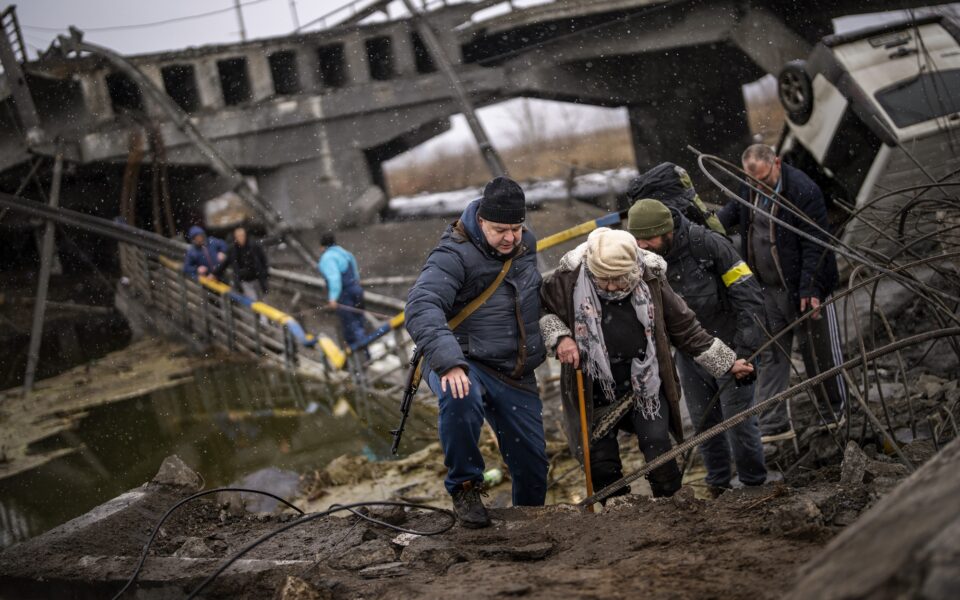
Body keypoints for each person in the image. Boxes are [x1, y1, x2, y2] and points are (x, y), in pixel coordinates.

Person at [540, 228, 753, 500]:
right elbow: (542, 310)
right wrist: (560, 337)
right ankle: (619, 515)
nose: (612, 287)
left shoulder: (651, 279)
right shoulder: (566, 280)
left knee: (657, 446)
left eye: (620, 279)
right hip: (592, 383)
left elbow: (685, 328)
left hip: (645, 382)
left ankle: (673, 506)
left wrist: (728, 363)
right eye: (603, 279)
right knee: (599, 460)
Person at [405, 176, 547, 528]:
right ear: (480, 220)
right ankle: (465, 486)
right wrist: (450, 363)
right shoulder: (453, 254)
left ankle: (527, 521)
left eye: (516, 227)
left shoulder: (526, 247)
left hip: (513, 370)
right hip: (463, 360)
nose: (510, 237)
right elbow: (421, 306)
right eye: (501, 229)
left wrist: (561, 335)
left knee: (532, 464)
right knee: (461, 395)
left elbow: (535, 299)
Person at [629, 198, 766, 493]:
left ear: (667, 231)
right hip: (690, 356)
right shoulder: (646, 259)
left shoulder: (710, 246)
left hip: (731, 348)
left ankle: (755, 487)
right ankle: (718, 487)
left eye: (649, 239)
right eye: (638, 241)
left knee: (739, 424)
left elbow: (749, 298)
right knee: (705, 427)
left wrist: (745, 352)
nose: (644, 247)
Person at [718, 143, 845, 440]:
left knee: (819, 353)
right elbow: (731, 213)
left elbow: (816, 243)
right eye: (752, 181)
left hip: (802, 287)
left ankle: (834, 413)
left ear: (776, 163)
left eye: (763, 179)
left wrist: (810, 288)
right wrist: (709, 226)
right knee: (773, 355)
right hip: (768, 289)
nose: (758, 186)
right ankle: (775, 424)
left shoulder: (803, 190)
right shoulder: (749, 186)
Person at [317, 232, 367, 352]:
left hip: (345, 294)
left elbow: (334, 279)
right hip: (356, 290)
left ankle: (358, 362)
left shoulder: (327, 258)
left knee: (350, 328)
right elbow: (355, 274)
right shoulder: (345, 253)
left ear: (323, 246)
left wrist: (333, 298)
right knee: (360, 324)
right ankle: (366, 355)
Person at [213, 226, 269, 301]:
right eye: (238, 236)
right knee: (253, 301)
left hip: (257, 278)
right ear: (235, 237)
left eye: (242, 235)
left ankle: (260, 312)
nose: (241, 238)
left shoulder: (254, 246)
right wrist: (215, 274)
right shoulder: (233, 250)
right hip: (244, 281)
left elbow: (263, 260)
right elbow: (225, 264)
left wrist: (265, 274)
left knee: (262, 300)